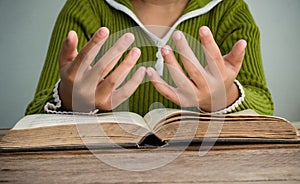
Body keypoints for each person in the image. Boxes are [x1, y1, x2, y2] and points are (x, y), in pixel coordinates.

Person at [25, 0, 274, 116]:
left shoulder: (230, 8)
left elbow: (265, 106)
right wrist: (71, 98)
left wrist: (224, 97)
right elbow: (35, 110)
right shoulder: (86, 6)